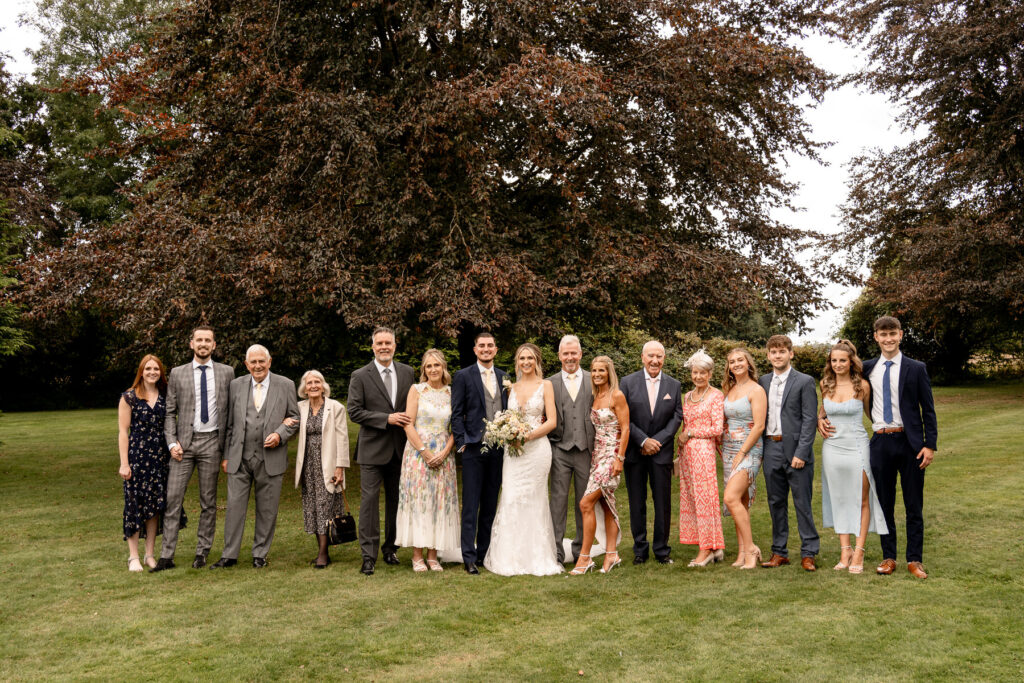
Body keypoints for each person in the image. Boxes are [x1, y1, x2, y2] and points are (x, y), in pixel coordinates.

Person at [821, 316, 937, 578]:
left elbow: (928, 410)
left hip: (910, 443)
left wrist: (930, 445)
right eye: (883, 335)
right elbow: (836, 394)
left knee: (913, 503)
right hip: (880, 442)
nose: (888, 339)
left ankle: (915, 559)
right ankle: (888, 557)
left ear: (900, 335)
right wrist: (821, 419)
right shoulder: (867, 369)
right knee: (883, 502)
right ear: (876, 337)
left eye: (892, 334)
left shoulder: (916, 368)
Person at [154, 325, 235, 572]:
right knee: (172, 499)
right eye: (198, 340)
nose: (203, 344)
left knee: (208, 502)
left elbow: (231, 415)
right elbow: (169, 412)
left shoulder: (227, 373)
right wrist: (171, 443)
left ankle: (202, 552)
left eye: (207, 340)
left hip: (212, 443)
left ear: (214, 345)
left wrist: (228, 453)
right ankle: (167, 555)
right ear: (191, 344)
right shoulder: (178, 374)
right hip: (183, 445)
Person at [210, 344, 299, 569]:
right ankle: (229, 555)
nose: (258, 366)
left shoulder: (285, 384)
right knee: (234, 508)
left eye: (262, 361)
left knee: (267, 509)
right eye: (253, 362)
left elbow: (294, 418)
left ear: (269, 362)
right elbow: (229, 423)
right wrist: (226, 455)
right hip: (239, 457)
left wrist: (280, 434)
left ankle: (260, 553)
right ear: (246, 364)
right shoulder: (235, 385)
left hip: (271, 457)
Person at [484, 343, 563, 576]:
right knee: (511, 496)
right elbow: (508, 418)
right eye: (521, 358)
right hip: (514, 454)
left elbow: (551, 421)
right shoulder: (511, 387)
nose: (525, 362)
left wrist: (525, 437)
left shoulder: (546, 385)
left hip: (537, 450)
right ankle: (509, 555)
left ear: (537, 360)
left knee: (534, 498)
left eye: (529, 358)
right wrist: (507, 433)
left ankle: (536, 556)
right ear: (517, 362)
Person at [347, 326, 416, 576]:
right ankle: (368, 555)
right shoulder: (360, 375)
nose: (384, 347)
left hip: (400, 449)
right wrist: (386, 418)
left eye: (388, 343)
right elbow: (354, 411)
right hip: (372, 449)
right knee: (369, 503)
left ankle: (391, 548)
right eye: (379, 343)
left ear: (394, 346)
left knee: (397, 502)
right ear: (373, 346)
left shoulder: (408, 372)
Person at [817, 340, 887, 574]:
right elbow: (822, 413)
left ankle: (859, 552)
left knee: (861, 498)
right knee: (839, 497)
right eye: (834, 360)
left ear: (851, 362)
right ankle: (844, 550)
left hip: (857, 446)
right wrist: (820, 421)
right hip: (832, 448)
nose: (837, 364)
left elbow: (873, 415)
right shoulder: (825, 385)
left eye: (842, 360)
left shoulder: (863, 387)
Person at [759, 335, 820, 571]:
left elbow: (809, 419)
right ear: (768, 356)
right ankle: (779, 552)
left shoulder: (804, 381)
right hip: (771, 447)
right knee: (776, 502)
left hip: (795, 449)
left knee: (802, 503)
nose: (777, 356)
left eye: (782, 352)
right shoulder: (763, 381)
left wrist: (802, 452)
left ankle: (809, 552)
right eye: (773, 352)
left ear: (790, 354)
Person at [395, 349, 460, 571]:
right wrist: (424, 451)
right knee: (419, 501)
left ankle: (433, 555)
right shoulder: (416, 390)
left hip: (444, 454)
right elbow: (408, 423)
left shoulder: (452, 392)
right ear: (424, 370)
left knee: (439, 502)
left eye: (437, 365)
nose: (433, 369)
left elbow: (457, 426)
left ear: (443, 368)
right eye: (429, 366)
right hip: (417, 452)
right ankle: (417, 556)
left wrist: (445, 452)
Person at [619, 340, 683, 565]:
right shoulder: (627, 382)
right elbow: (624, 416)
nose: (655, 360)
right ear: (642, 357)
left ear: (664, 358)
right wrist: (643, 440)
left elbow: (677, 416)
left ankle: (662, 550)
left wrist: (658, 441)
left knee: (662, 503)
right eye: (651, 356)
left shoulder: (674, 385)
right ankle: (640, 549)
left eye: (659, 356)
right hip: (635, 452)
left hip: (661, 453)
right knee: (637, 502)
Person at [451, 331, 509, 575]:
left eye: (490, 345)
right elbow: (456, 413)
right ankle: (469, 556)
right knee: (471, 504)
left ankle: (484, 552)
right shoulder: (463, 376)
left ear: (496, 349)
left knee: (489, 503)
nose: (486, 349)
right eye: (482, 346)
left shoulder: (504, 376)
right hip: (474, 448)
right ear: (475, 350)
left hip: (498, 449)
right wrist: (462, 442)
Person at [569, 356, 628, 575]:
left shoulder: (617, 395)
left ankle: (584, 558)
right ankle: (611, 554)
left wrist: (619, 458)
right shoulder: (596, 396)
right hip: (597, 455)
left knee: (586, 503)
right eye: (594, 371)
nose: (596, 374)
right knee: (606, 504)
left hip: (611, 456)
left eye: (601, 370)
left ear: (609, 372)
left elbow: (626, 428)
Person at [118, 354, 170, 572]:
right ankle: (133, 557)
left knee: (154, 507)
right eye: (148, 369)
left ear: (161, 372)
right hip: (137, 458)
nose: (152, 372)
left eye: (156, 369)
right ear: (141, 371)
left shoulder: (166, 395)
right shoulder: (129, 397)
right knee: (135, 506)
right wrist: (124, 463)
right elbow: (123, 432)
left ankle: (149, 554)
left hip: (160, 458)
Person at [547, 334, 595, 565]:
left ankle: (580, 551)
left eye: (573, 353)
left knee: (584, 503)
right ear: (559, 356)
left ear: (580, 354)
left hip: (586, 449)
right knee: (557, 502)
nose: (570, 357)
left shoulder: (593, 378)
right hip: (560, 450)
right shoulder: (550, 382)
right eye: (565, 353)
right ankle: (555, 551)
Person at [294, 370, 350, 569]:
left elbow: (343, 439)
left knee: (326, 508)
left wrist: (340, 467)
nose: (313, 386)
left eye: (317, 382)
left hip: (328, 465)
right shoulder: (299, 407)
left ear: (323, 385)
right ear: (304, 387)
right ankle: (322, 552)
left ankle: (323, 554)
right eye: (309, 383)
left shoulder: (335, 407)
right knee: (313, 508)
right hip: (308, 466)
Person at [675, 349, 726, 567]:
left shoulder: (716, 396)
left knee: (706, 500)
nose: (698, 377)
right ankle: (714, 547)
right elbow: (685, 425)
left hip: (704, 453)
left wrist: (692, 433)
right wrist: (681, 443)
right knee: (694, 499)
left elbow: (717, 429)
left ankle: (705, 550)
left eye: (703, 373)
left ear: (710, 374)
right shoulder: (687, 396)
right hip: (687, 454)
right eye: (695, 373)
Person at [720, 347, 766, 569]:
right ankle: (740, 553)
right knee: (741, 502)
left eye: (740, 360)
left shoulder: (756, 390)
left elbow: (759, 426)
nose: (736, 364)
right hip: (728, 449)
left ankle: (751, 550)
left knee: (730, 498)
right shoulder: (729, 389)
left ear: (748, 364)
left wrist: (742, 452)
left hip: (749, 450)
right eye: (732, 361)